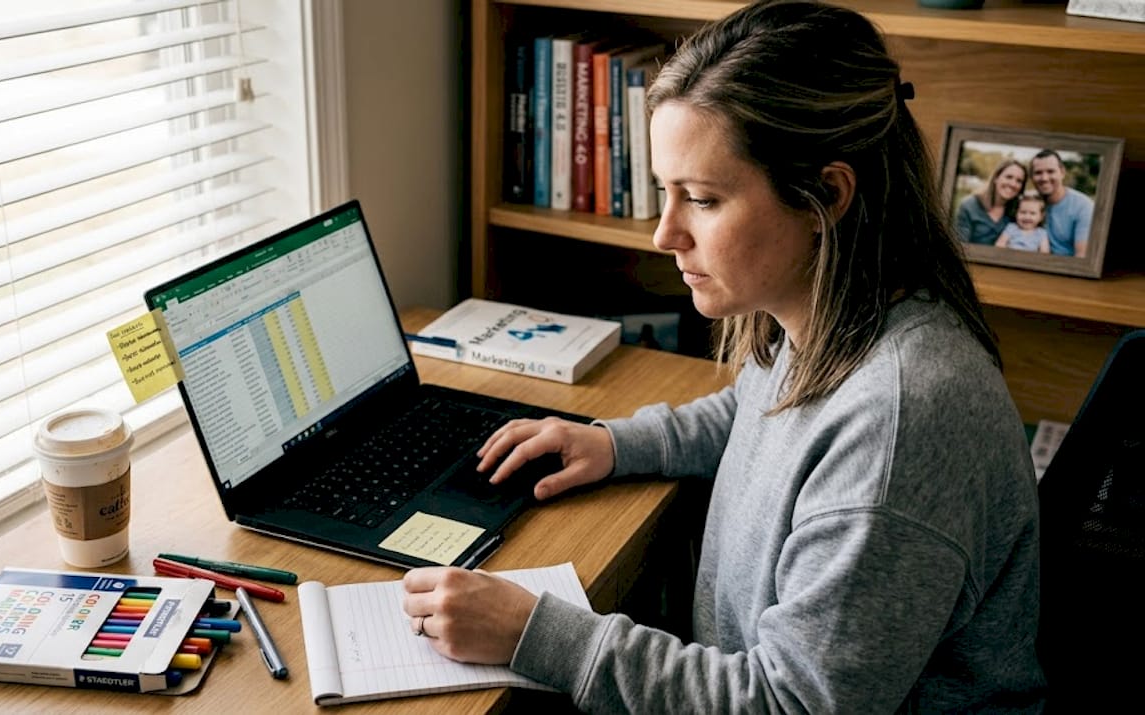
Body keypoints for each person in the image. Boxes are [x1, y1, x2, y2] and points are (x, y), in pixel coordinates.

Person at [402, 1, 1045, 711]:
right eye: (663, 193)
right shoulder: (832, 318)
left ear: (826, 195)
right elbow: (761, 410)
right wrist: (616, 443)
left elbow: (791, 703)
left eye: (701, 199)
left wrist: (536, 631)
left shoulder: (902, 418)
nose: (664, 234)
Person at [1030, 149, 1094, 257]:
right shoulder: (1029, 203)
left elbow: (1081, 257)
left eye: (1050, 171)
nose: (1044, 178)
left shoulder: (1084, 207)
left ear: (1062, 173)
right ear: (1032, 177)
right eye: (1038, 173)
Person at [955, 158, 1027, 245]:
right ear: (996, 178)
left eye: (1019, 181)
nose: (1013, 184)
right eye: (1009, 177)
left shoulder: (1020, 210)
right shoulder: (969, 206)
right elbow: (959, 246)